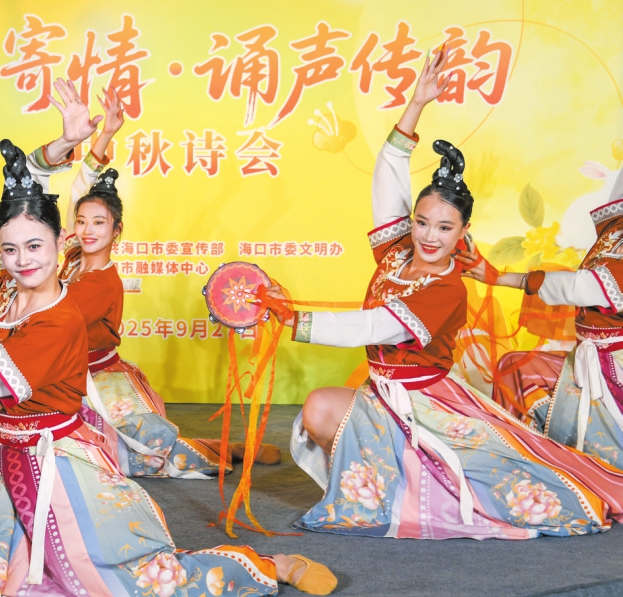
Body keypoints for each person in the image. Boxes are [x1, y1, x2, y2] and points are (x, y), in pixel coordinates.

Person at [0, 140, 336, 597]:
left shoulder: (60, 317)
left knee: (128, 579)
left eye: (35, 247)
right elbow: (35, 204)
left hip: (55, 459)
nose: (22, 259)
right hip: (8, 450)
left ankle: (268, 564)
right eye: (10, 249)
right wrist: (65, 148)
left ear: (60, 244)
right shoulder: (11, 290)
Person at [265, 49, 623, 539]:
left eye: (444, 228)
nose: (429, 237)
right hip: (383, 393)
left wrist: (291, 318)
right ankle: (381, 484)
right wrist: (417, 104)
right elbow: (388, 171)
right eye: (422, 222)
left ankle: (401, 487)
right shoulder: (396, 253)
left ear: (463, 232)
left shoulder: (446, 288)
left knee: (512, 483)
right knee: (318, 410)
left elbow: (373, 326)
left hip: (426, 404)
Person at [0, 80, 274, 478]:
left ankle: (228, 449)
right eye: (81, 221)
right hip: (59, 372)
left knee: (147, 459)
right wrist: (100, 135)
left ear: (116, 230)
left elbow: (31, 311)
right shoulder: (71, 254)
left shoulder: (98, 284)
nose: (88, 230)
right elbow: (77, 191)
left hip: (93, 380)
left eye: (99, 223)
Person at [461, 167, 623, 470]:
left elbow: (581, 287)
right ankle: (516, 464)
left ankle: (518, 470)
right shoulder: (615, 229)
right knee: (515, 369)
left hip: (613, 376)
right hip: (590, 363)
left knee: (519, 374)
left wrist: (498, 277)